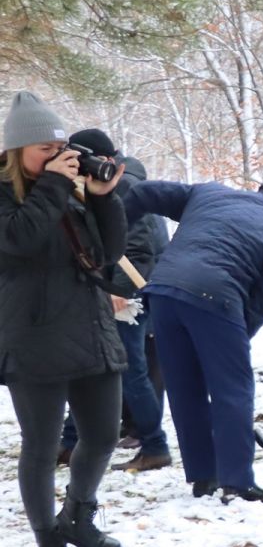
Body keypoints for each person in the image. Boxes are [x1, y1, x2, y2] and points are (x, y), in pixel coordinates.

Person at [0, 92, 128, 547]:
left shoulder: (67, 193)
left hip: (90, 328)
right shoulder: (8, 194)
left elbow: (110, 251)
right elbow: (20, 239)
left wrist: (102, 197)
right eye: (43, 150)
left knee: (102, 435)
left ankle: (78, 516)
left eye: (60, 149)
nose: (56, 158)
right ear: (16, 153)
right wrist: (54, 184)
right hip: (32, 336)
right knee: (41, 444)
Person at [120, 172, 263, 502]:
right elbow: (260, 305)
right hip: (215, 294)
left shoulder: (208, 194)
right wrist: (231, 347)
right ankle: (237, 480)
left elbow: (144, 193)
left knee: (185, 389)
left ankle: (204, 477)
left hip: (161, 292)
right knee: (233, 389)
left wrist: (108, 236)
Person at [58, 131, 170, 473]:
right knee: (93, 365)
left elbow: (135, 249)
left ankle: (154, 445)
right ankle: (69, 441)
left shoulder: (124, 187)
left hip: (130, 291)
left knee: (129, 370)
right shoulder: (120, 182)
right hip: (119, 287)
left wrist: (117, 293)